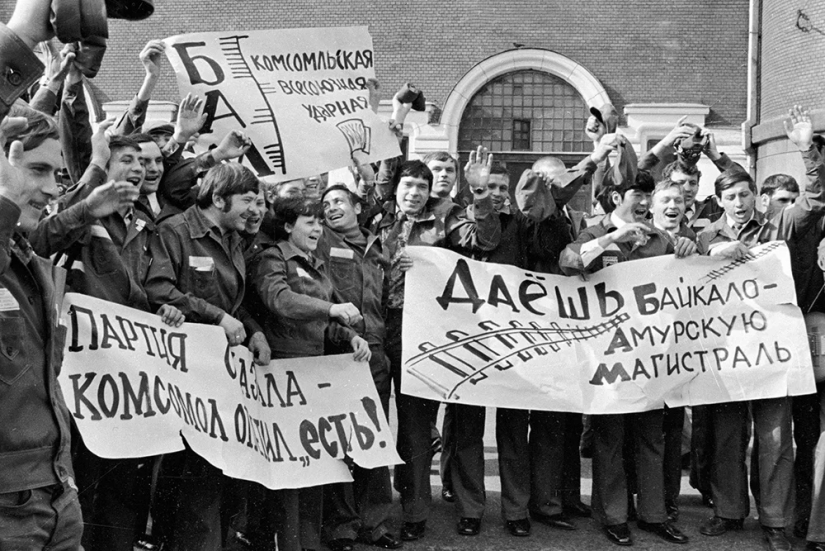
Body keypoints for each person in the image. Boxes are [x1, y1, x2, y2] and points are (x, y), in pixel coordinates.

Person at [695, 105, 825, 551]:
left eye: (745, 195)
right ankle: (728, 512)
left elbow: (816, 200)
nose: (739, 202)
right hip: (729, 351)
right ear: (721, 201)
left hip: (773, 351)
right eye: (730, 196)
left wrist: (807, 150)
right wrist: (711, 254)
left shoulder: (779, 226)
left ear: (756, 198)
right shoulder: (707, 237)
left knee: (775, 438)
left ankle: (774, 521)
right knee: (730, 436)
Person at [560, 170, 695, 547]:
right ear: (620, 196)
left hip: (652, 356)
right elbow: (569, 261)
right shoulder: (596, 231)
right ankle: (614, 516)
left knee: (652, 437)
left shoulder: (662, 240)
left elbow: (690, 282)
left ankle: (653, 515)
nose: (642, 202)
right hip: (609, 353)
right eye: (637, 194)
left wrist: (688, 249)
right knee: (611, 439)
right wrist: (612, 238)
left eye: (647, 196)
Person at [368, 159, 500, 542]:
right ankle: (375, 507)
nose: (413, 193)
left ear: (430, 194)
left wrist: (480, 195)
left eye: (421, 188)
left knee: (413, 429)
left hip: (421, 331)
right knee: (374, 423)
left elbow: (484, 240)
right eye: (408, 185)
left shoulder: (444, 223)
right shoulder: (377, 222)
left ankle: (414, 511)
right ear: (396, 188)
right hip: (377, 328)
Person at [144, 162, 270, 551]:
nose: (256, 209)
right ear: (218, 199)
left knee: (211, 470)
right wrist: (217, 316)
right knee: (192, 470)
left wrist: (255, 330)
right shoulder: (175, 231)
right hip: (184, 372)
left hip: (219, 373)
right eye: (248, 200)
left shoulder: (234, 237)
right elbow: (159, 289)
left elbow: (233, 301)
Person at [243, 196, 370, 551]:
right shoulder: (272, 259)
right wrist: (332, 309)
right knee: (288, 469)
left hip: (314, 373)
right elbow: (280, 301)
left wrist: (352, 337)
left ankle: (308, 542)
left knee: (315, 463)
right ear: (287, 226)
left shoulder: (316, 263)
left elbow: (325, 324)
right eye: (309, 222)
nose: (318, 228)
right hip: (281, 374)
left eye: (319, 222)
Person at [0, 100, 82, 551]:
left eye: (57, 174)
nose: (53, 189)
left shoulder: (29, 262)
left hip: (54, 499)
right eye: (38, 170)